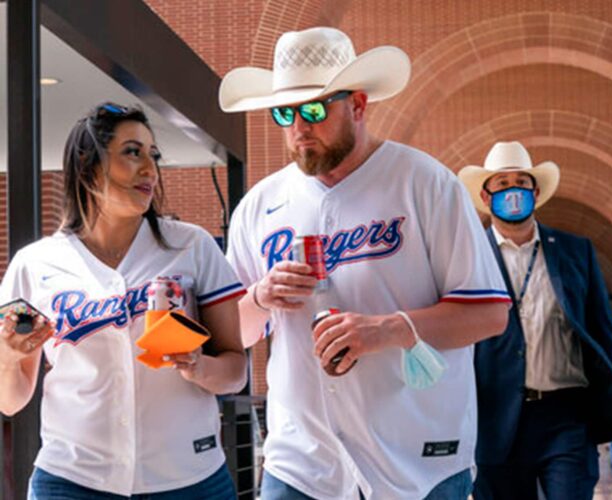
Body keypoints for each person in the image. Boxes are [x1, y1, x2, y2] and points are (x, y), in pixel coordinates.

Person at [220, 27, 510, 499]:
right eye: (284, 113)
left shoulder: (426, 184)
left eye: (314, 109)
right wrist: (261, 295)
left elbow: (489, 313)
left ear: (357, 105)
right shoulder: (259, 205)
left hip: (417, 459)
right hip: (302, 463)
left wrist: (388, 329)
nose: (299, 127)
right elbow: (236, 331)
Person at [0, 103, 248, 498]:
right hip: (73, 481)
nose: (149, 168)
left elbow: (236, 368)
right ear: (89, 164)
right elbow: (10, 402)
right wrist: (10, 357)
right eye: (132, 152)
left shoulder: (192, 246)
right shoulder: (33, 265)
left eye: (154, 155)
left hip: (188, 478)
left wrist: (199, 366)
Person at [457, 141, 612, 499]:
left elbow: (604, 339)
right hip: (494, 420)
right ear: (486, 195)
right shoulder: (467, 256)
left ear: (536, 192)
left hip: (566, 416)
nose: (513, 192)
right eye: (502, 184)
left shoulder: (575, 251)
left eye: (521, 183)